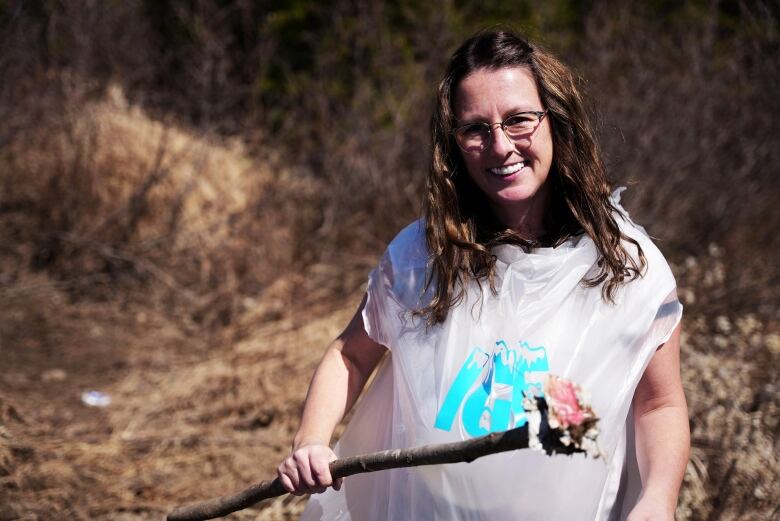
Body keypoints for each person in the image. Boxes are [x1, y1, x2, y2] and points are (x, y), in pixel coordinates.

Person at [277, 31, 689, 521]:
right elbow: (349, 355)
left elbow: (659, 404)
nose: (499, 147)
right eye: (475, 129)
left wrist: (659, 499)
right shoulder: (423, 257)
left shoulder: (624, 264)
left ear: (554, 121)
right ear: (453, 144)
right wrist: (311, 442)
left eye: (518, 120)